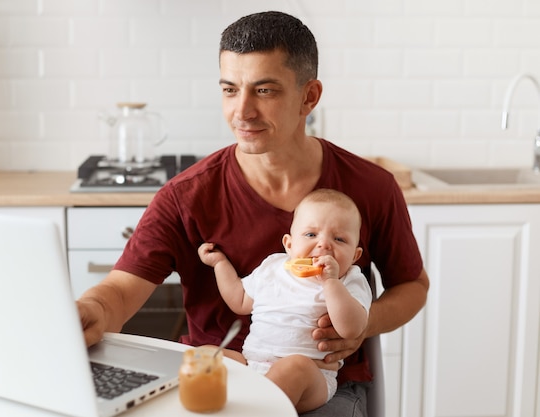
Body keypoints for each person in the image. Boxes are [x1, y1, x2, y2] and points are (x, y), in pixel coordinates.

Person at [77, 10, 429, 417]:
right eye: (230, 90)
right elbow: (120, 291)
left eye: (264, 91)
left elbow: (412, 286)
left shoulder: (371, 187)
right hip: (219, 381)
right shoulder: (185, 195)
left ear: (309, 98)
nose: (241, 112)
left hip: (322, 389)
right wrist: (93, 309)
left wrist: (362, 323)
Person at [198, 189, 372, 413]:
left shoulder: (349, 280)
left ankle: (255, 411)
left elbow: (351, 328)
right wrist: (219, 264)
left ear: (355, 255)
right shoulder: (273, 266)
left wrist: (330, 282)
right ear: (289, 245)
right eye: (311, 235)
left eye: (339, 239)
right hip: (252, 364)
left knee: (293, 366)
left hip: (312, 376)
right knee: (208, 355)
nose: (324, 245)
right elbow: (239, 299)